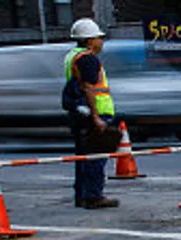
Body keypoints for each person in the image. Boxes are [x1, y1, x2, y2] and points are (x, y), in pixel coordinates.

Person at [61, 18, 118, 209]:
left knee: (83, 156)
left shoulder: (72, 56)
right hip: (94, 113)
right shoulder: (88, 58)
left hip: (79, 112)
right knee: (96, 156)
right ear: (88, 40)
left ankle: (82, 195)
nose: (101, 41)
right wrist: (96, 117)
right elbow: (89, 88)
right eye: (98, 38)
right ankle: (93, 196)